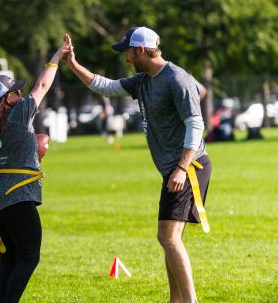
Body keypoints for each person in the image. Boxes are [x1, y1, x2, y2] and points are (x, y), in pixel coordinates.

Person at [65, 27, 211, 303]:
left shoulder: (177, 80)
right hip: (175, 168)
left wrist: (181, 168)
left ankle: (189, 301)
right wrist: (72, 64)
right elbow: (105, 87)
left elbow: (196, 124)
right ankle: (176, 300)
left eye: (128, 51)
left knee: (167, 237)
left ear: (141, 50)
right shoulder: (143, 81)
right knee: (171, 238)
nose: (126, 56)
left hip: (190, 166)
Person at [0, 35, 71, 303]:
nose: (21, 95)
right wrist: (56, 57)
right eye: (16, 92)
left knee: (9, 258)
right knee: (29, 257)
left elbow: (0, 161)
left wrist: (31, 156)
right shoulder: (18, 117)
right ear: (6, 100)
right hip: (19, 197)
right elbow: (42, 85)